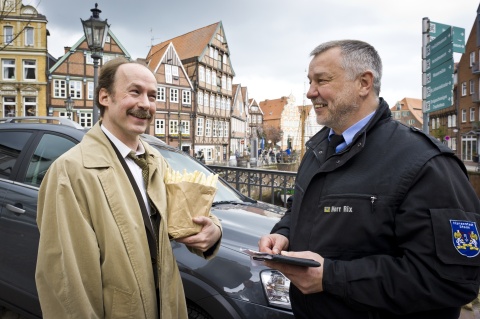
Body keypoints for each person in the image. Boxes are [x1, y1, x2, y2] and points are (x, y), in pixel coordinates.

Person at [258, 40, 480, 319]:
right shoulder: (317, 149)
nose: (310, 92)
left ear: (364, 83)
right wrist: (283, 234)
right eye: (310, 81)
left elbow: (451, 280)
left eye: (322, 80)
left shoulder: (425, 162)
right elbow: (299, 208)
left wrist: (331, 277)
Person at [36, 57, 222, 318]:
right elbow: (68, 284)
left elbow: (187, 215)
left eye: (152, 96)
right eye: (134, 92)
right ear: (104, 97)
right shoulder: (71, 171)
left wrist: (213, 231)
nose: (145, 104)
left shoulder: (156, 162)